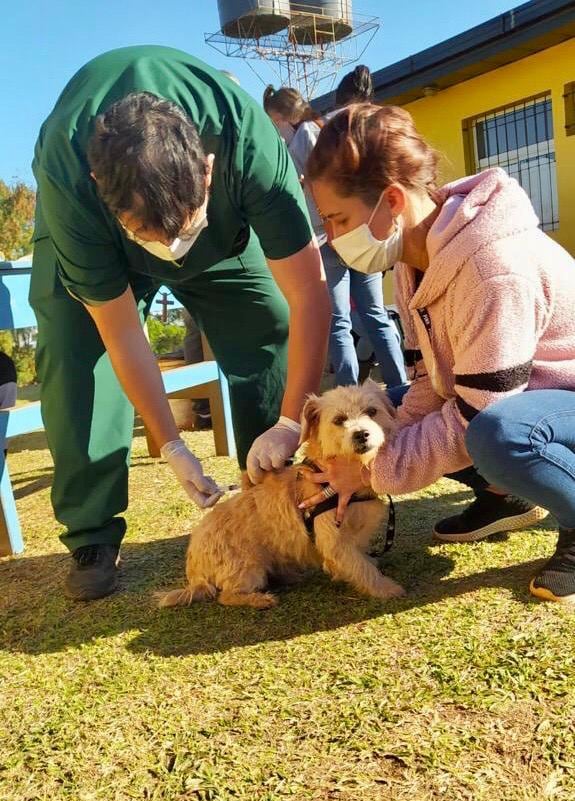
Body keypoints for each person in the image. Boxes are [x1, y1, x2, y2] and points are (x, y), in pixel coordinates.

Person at [32, 46, 330, 601]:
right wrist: (169, 443)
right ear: (100, 184)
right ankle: (92, 533)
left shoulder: (249, 145)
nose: (169, 249)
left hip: (221, 232)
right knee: (74, 356)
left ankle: (274, 498)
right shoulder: (68, 175)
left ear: (209, 169)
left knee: (267, 320)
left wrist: (292, 421)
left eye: (180, 228)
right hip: (94, 240)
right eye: (149, 231)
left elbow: (308, 293)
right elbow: (120, 332)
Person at [301, 102, 575, 604]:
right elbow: (430, 381)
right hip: (528, 393)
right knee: (393, 404)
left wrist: (367, 470)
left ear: (390, 200)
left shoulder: (492, 267)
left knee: (497, 434)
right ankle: (502, 496)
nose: (334, 239)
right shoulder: (417, 256)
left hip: (560, 399)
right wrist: (378, 440)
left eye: (337, 220)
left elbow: (478, 412)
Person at [268, 70, 407, 388]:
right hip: (366, 230)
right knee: (375, 314)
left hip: (327, 234)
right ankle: (399, 386)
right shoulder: (369, 126)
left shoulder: (310, 132)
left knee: (339, 321)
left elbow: (300, 185)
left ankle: (348, 392)